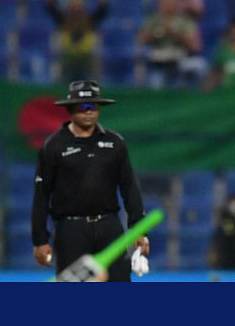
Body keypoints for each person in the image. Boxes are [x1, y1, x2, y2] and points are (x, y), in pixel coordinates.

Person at [31, 80, 149, 282]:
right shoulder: (53, 147)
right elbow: (41, 196)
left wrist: (139, 230)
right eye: (83, 106)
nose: (88, 112)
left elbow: (129, 187)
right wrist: (40, 240)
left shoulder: (115, 143)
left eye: (93, 106)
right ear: (70, 109)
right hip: (71, 230)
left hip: (109, 226)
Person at [46, 0, 109, 83]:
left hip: (87, 63)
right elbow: (50, 5)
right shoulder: (64, 21)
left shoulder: (90, 21)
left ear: (84, 9)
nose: (77, 12)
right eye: (74, 8)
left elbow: (103, 7)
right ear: (69, 9)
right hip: (67, 63)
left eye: (79, 9)